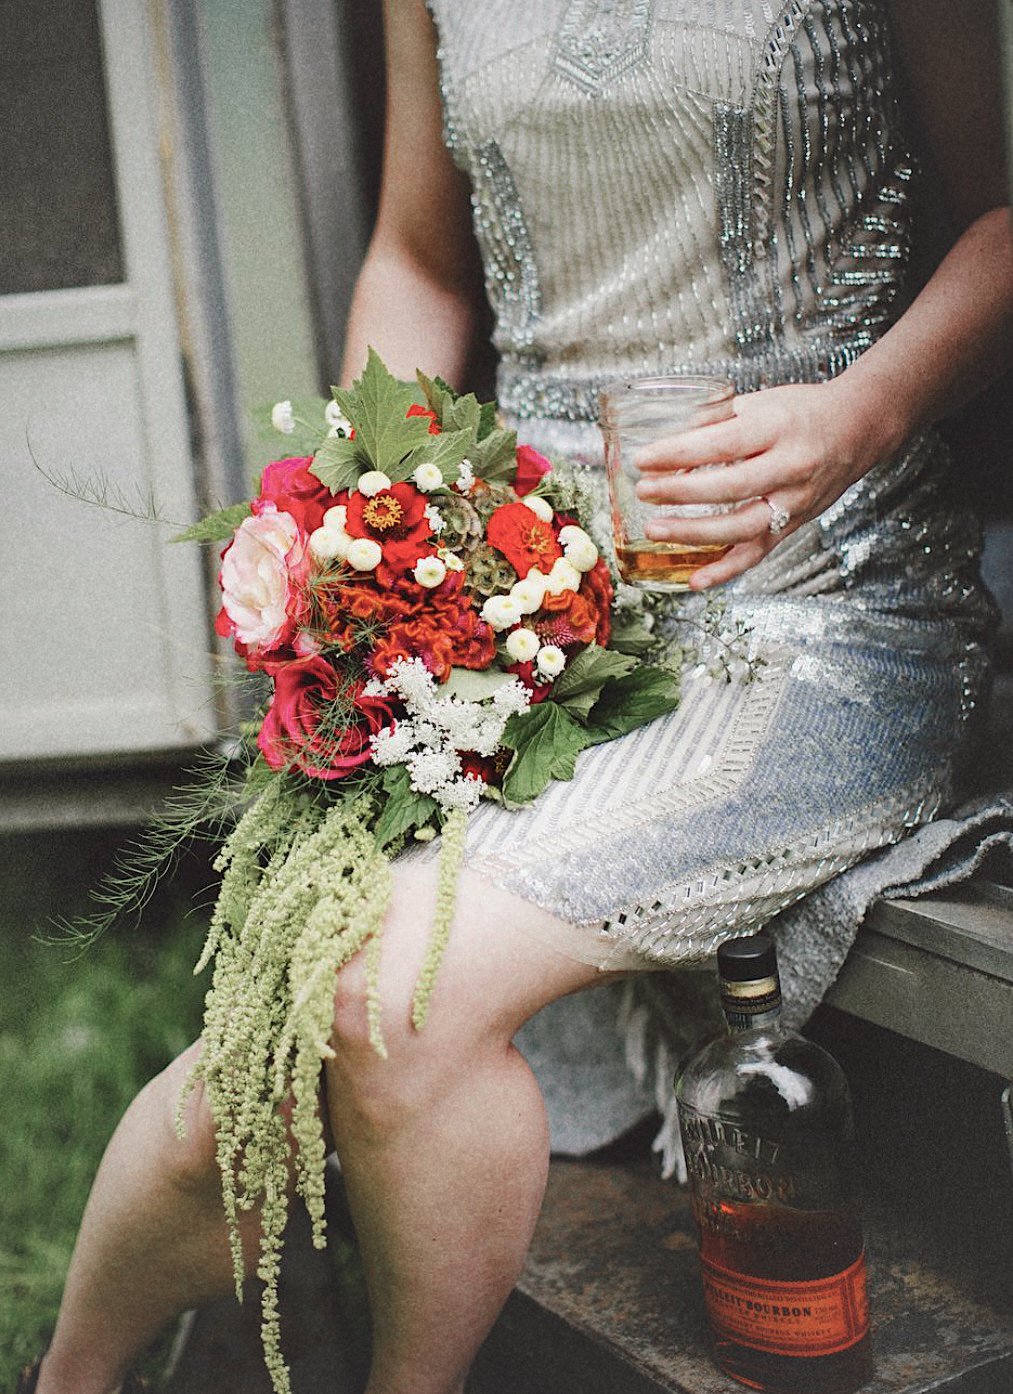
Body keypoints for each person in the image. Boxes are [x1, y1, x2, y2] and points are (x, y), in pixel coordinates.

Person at [25, 2, 1011, 1393]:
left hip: (818, 602)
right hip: (523, 608)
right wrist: (366, 526)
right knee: (251, 1056)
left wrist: (863, 411)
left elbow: (1002, 218)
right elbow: (419, 259)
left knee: (377, 1000)